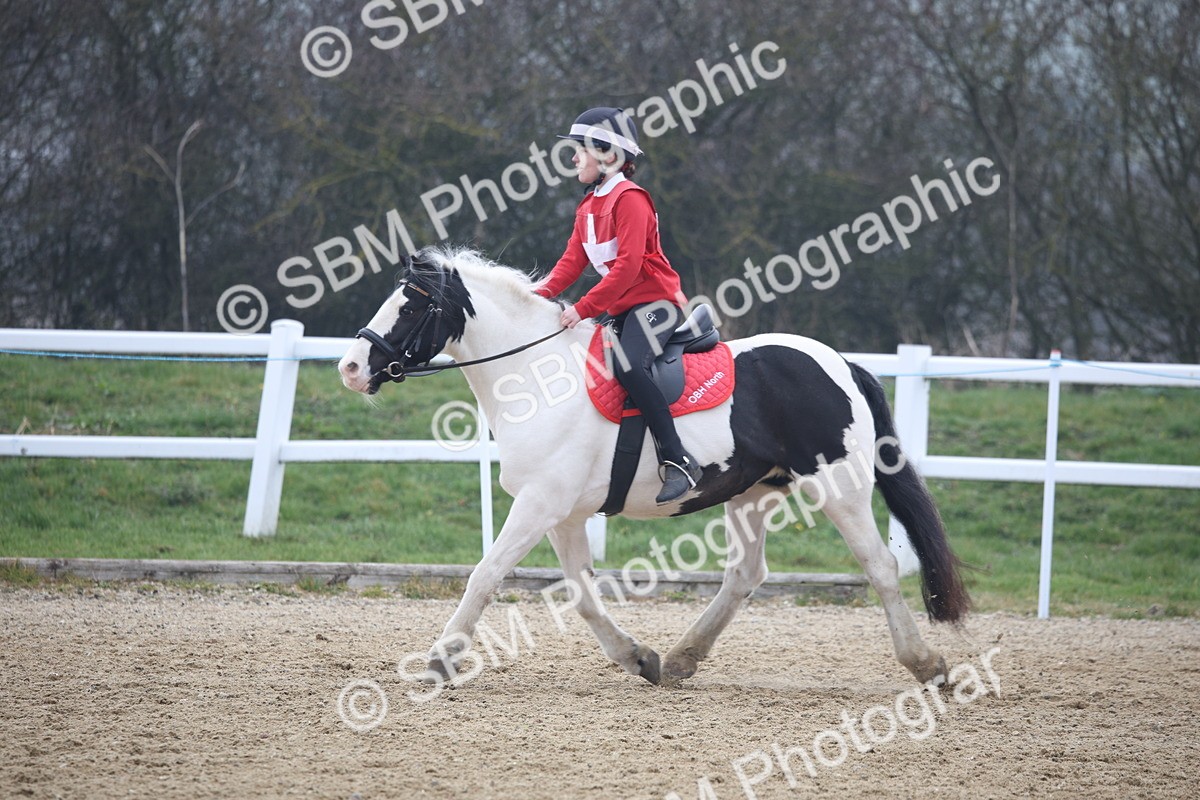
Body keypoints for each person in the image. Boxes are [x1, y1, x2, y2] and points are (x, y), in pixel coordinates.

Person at [535, 107, 702, 504]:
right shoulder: (588, 205)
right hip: (623, 309)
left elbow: (627, 268)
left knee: (628, 363)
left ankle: (679, 460)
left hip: (658, 303)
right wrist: (532, 298)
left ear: (607, 155)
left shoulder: (631, 200)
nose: (574, 158)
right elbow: (570, 263)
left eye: (580, 150)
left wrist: (582, 308)